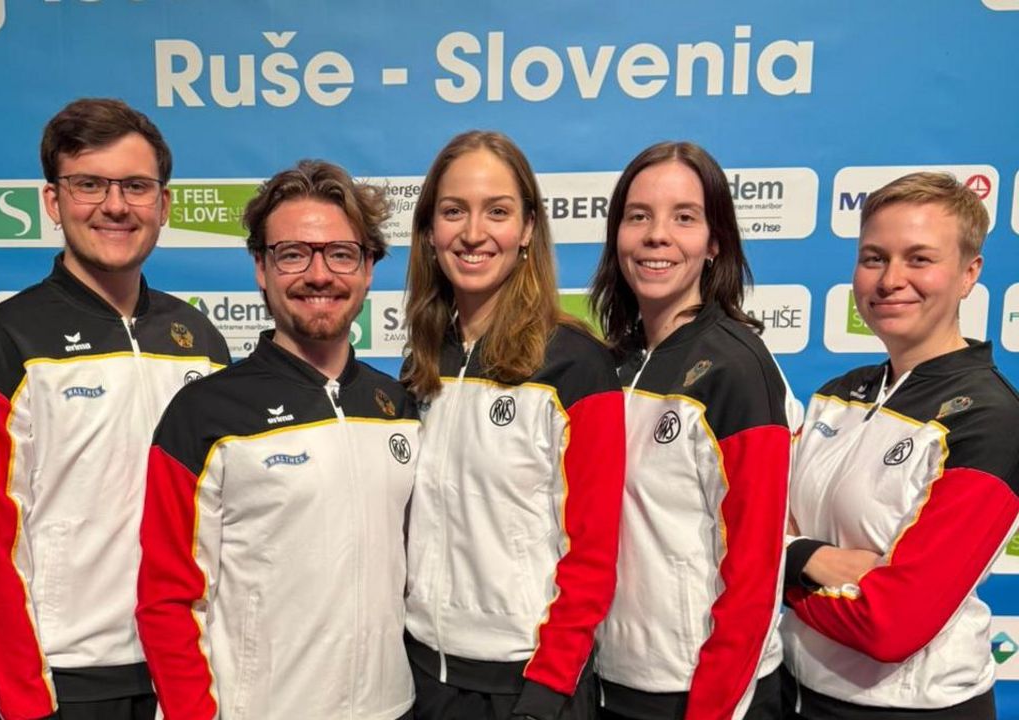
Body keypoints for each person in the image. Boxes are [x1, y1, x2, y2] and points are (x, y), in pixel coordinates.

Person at [0, 98, 229, 720]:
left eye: (136, 186)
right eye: (88, 184)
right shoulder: (6, 340)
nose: (114, 205)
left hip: (190, 669)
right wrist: (27, 703)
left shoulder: (202, 340)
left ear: (164, 203)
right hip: (68, 680)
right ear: (53, 201)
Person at [136, 159, 419, 720]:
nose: (319, 275)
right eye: (293, 253)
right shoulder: (204, 413)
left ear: (368, 269)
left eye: (341, 253)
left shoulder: (399, 407)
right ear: (261, 268)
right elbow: (167, 600)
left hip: (392, 707)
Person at [401, 130, 624, 720]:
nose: (473, 233)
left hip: (526, 687)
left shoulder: (576, 364)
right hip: (421, 674)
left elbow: (593, 554)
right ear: (429, 231)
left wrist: (547, 691)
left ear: (527, 229)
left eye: (497, 212)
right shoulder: (422, 361)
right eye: (454, 212)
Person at [781, 172, 1019, 719]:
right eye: (874, 257)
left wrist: (780, 567)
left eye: (919, 259)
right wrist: (818, 559)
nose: (891, 279)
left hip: (911, 709)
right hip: (794, 692)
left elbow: (889, 624)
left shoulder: (991, 419)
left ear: (968, 274)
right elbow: (754, 520)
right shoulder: (836, 395)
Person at [588, 141, 794, 720]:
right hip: (609, 679)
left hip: (703, 693)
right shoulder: (611, 364)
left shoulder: (738, 367)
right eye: (639, 216)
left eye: (684, 217)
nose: (658, 236)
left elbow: (755, 573)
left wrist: (714, 706)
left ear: (715, 243)